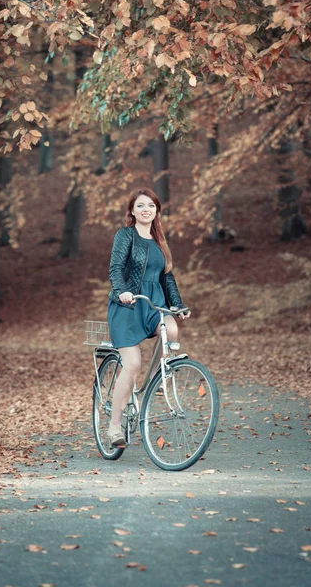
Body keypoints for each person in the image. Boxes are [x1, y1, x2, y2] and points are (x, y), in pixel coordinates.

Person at [107, 188, 191, 447]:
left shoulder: (160, 242)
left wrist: (177, 305)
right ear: (132, 211)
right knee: (131, 364)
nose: (146, 210)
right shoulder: (125, 235)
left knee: (172, 329)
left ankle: (153, 383)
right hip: (128, 306)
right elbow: (116, 268)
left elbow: (167, 277)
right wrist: (122, 291)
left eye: (151, 206)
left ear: (157, 211)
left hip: (154, 305)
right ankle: (114, 427)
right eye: (140, 206)